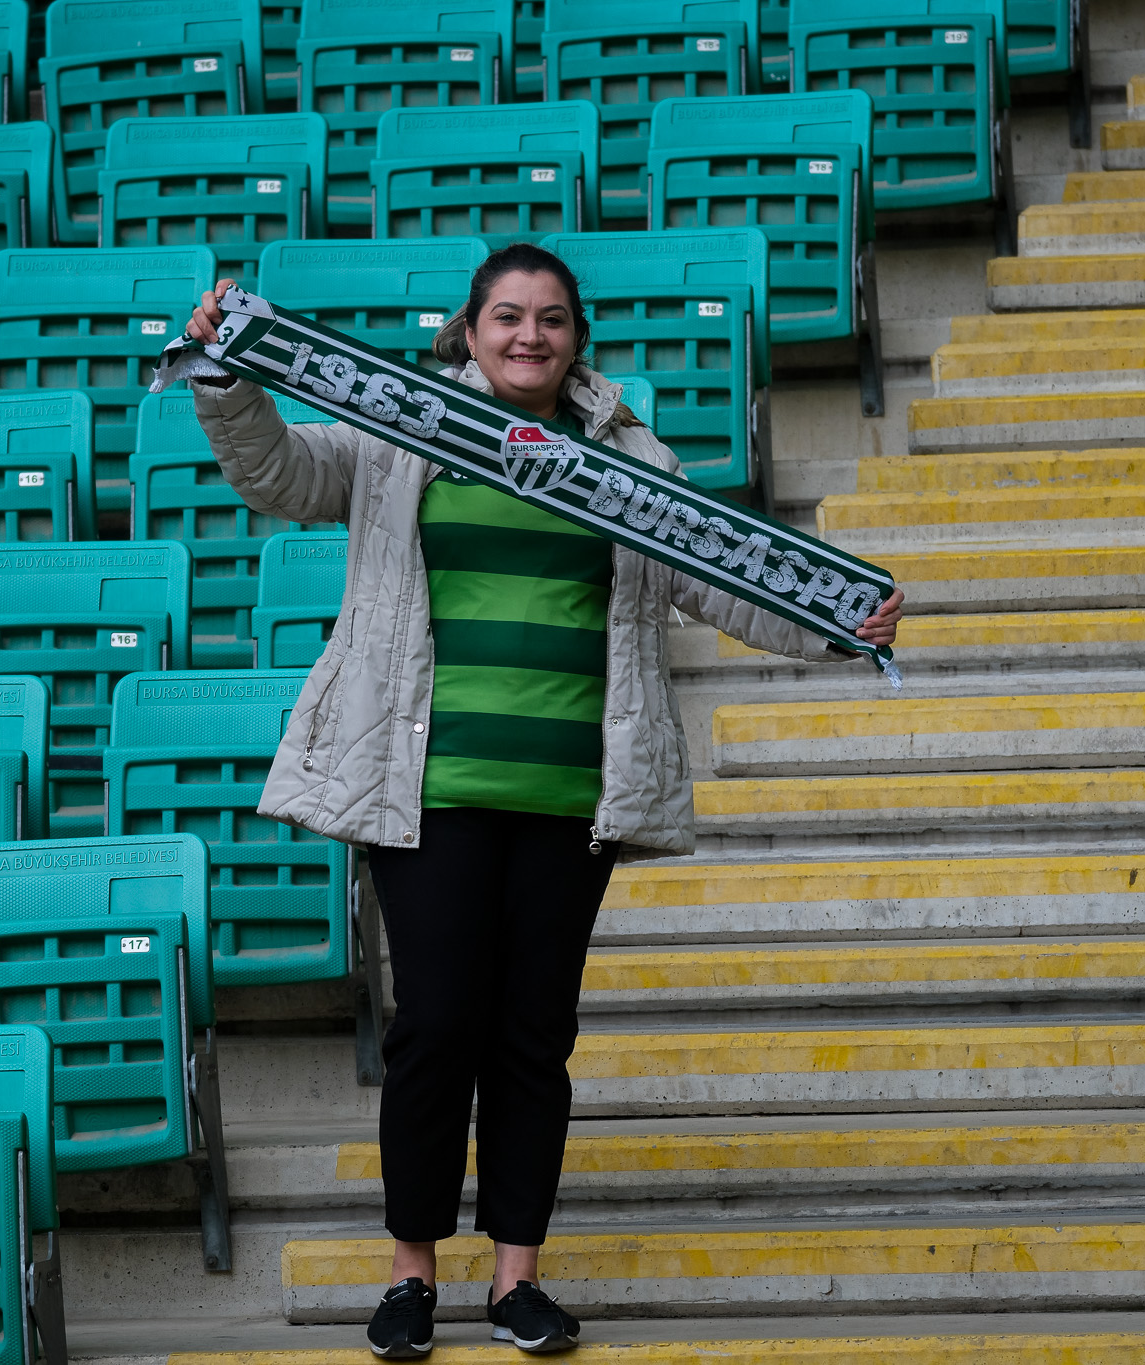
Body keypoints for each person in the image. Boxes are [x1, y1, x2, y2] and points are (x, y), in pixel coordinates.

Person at [182, 244, 903, 1358]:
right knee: (435, 1027)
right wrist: (229, 373)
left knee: (532, 1036)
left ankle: (516, 1277)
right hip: (429, 790)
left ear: (577, 340)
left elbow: (716, 581)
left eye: (552, 319)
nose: (530, 335)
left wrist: (833, 620)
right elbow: (278, 474)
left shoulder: (630, 460)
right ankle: (411, 1275)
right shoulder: (400, 430)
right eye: (508, 317)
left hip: (569, 796)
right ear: (467, 332)